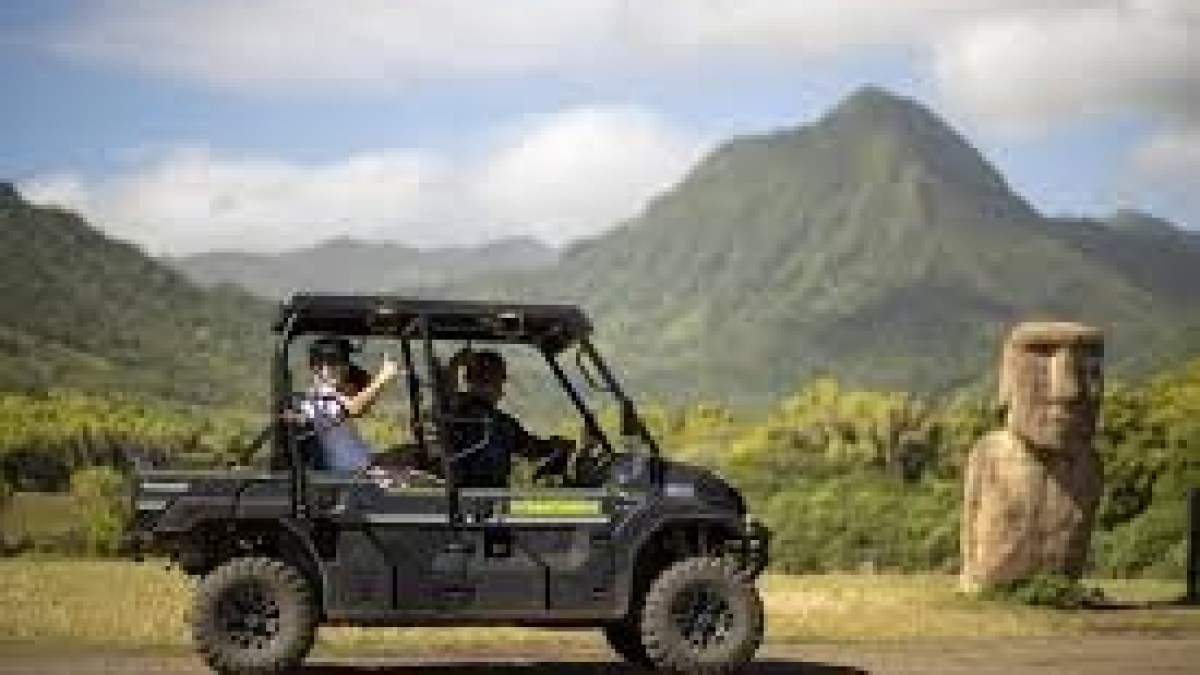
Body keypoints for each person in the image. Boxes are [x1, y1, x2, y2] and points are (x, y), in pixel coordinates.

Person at [445, 349, 570, 488]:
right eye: (499, 380)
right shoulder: (463, 413)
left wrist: (554, 446)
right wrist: (556, 446)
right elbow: (531, 448)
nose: (501, 389)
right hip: (476, 495)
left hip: (482, 494)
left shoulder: (497, 420)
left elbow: (530, 447)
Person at [298, 337, 401, 474]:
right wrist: (383, 377)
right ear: (318, 367)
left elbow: (360, 406)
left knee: (409, 451)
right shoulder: (321, 395)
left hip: (361, 466)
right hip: (353, 473)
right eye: (336, 364)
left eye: (343, 365)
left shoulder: (327, 394)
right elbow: (354, 408)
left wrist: (377, 383)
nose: (342, 370)